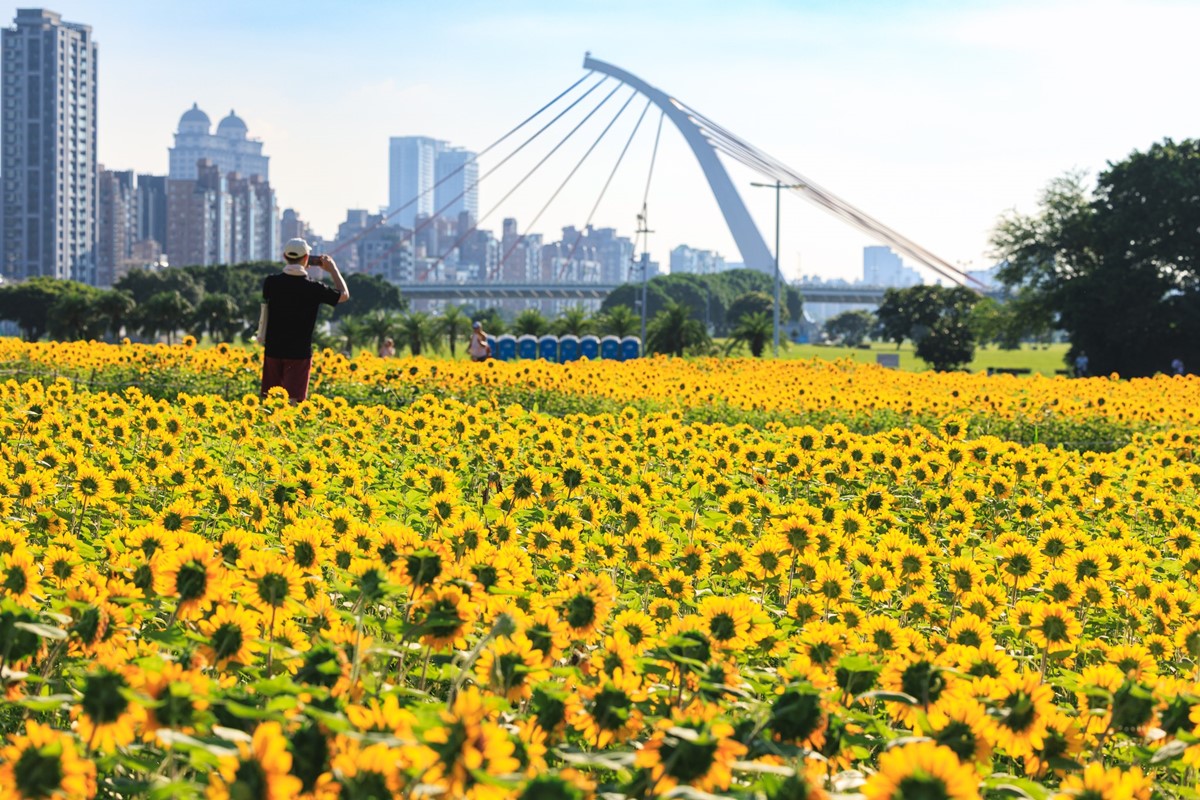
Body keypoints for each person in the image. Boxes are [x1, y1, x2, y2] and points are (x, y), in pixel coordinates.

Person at [258, 238, 349, 402]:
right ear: (307, 258)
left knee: (269, 403)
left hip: (273, 349)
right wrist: (332, 269)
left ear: (285, 256)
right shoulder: (314, 288)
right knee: (294, 403)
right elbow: (344, 295)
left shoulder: (271, 283)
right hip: (299, 353)